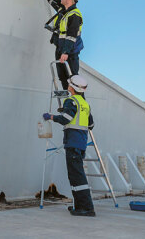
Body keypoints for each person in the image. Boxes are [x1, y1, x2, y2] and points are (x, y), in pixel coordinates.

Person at [42, 74, 95, 217]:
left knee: (77, 176)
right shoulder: (85, 104)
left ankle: (87, 208)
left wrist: (52, 117)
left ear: (71, 87)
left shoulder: (71, 101)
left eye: (68, 84)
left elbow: (66, 119)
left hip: (72, 143)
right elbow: (91, 124)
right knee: (75, 175)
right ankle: (79, 206)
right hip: (81, 143)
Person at [34, 0, 83, 91]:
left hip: (70, 52)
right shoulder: (63, 10)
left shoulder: (74, 15)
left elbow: (71, 36)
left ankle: (77, 104)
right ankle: (67, 101)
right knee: (62, 77)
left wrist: (65, 52)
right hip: (61, 49)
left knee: (73, 79)